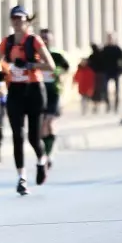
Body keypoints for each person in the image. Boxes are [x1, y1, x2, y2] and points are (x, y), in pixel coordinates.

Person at [0, 6, 57, 195]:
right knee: (17, 135)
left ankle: (41, 160)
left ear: (27, 21)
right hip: (15, 90)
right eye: (14, 18)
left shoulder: (34, 41)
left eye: (20, 19)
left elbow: (51, 66)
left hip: (34, 90)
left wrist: (30, 64)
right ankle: (21, 177)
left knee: (33, 136)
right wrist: (0, 71)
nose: (17, 22)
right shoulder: (6, 42)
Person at [37, 28, 71, 169]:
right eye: (42, 37)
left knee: (49, 123)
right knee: (41, 126)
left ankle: (49, 153)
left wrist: (56, 71)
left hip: (53, 91)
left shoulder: (57, 54)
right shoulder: (35, 54)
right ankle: (46, 150)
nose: (45, 40)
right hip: (39, 90)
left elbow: (66, 68)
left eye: (47, 38)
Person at [99, 33, 122, 113]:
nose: (110, 40)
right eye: (109, 38)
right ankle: (108, 105)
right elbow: (101, 59)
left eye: (111, 38)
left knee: (117, 90)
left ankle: (116, 106)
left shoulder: (117, 48)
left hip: (115, 71)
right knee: (105, 89)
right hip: (107, 71)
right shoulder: (105, 49)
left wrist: (121, 69)